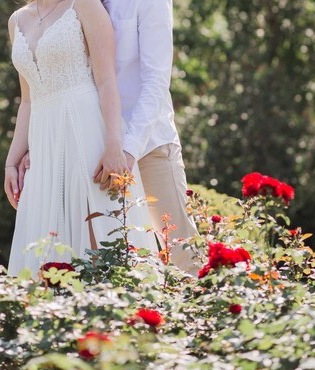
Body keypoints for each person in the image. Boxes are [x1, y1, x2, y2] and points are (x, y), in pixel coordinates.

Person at [16, 0, 199, 274]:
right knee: (96, 256)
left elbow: (156, 81)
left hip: (146, 145)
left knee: (181, 251)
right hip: (89, 149)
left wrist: (126, 151)